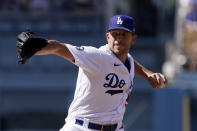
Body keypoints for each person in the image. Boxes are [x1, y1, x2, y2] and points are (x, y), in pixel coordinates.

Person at [18, 14, 167, 131]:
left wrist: (148, 73)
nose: (118, 39)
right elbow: (60, 48)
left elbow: (129, 63)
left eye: (124, 34)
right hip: (81, 127)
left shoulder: (125, 59)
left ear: (133, 38)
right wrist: (40, 47)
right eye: (115, 34)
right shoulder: (97, 57)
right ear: (107, 36)